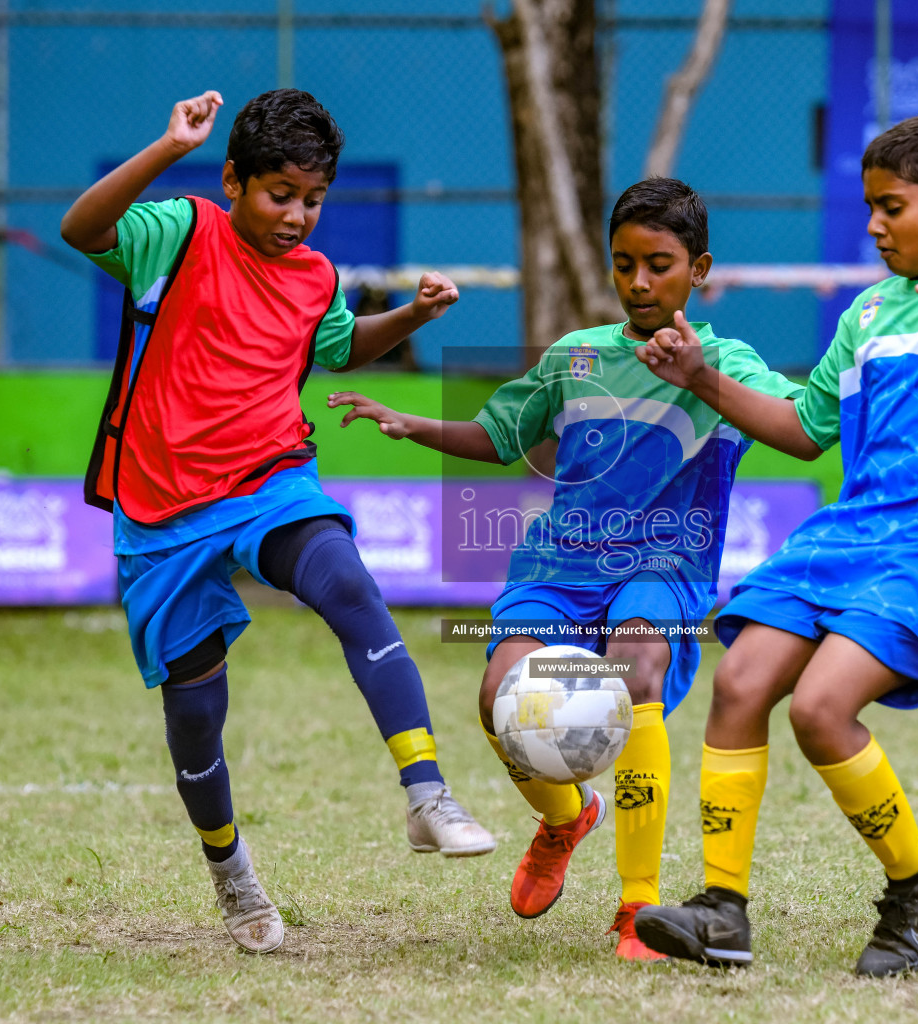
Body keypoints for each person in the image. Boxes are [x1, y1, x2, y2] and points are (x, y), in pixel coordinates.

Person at [629, 114, 918, 975]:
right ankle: (722, 910)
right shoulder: (868, 311)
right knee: (740, 680)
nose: (873, 225)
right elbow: (805, 432)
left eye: (891, 207)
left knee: (820, 709)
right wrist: (702, 379)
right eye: (868, 207)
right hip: (856, 530)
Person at [59, 89, 495, 954]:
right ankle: (231, 873)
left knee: (348, 585)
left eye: (313, 198)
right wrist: (163, 145)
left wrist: (410, 315)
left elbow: (334, 344)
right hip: (164, 507)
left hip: (271, 477)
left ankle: (427, 792)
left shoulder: (319, 277)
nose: (297, 216)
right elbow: (82, 230)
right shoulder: (177, 232)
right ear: (232, 180)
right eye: (279, 194)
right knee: (194, 713)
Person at [327, 177, 802, 960]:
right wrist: (411, 424)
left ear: (700, 268)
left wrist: (708, 381)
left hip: (664, 563)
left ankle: (638, 911)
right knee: (497, 697)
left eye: (659, 263)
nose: (640, 282)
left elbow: (800, 428)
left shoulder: (729, 363)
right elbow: (500, 434)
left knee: (638, 663)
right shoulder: (574, 357)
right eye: (624, 265)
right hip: (558, 566)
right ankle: (563, 818)